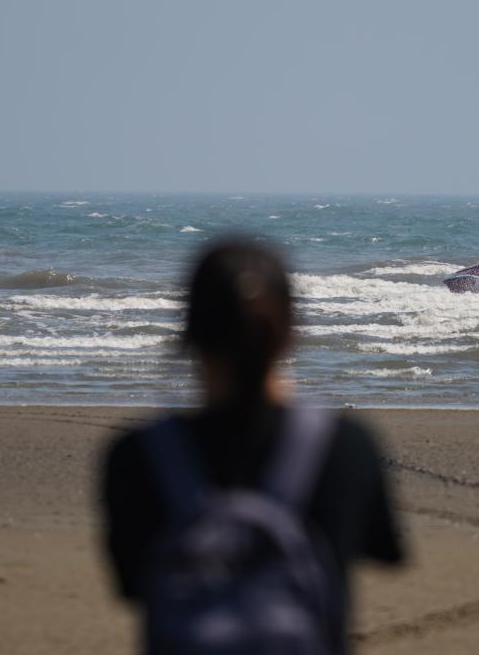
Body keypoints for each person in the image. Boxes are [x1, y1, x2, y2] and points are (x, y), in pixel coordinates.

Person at [99, 237, 403, 654]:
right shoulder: (344, 446)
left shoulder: (136, 455)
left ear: (189, 332)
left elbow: (133, 586)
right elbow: (384, 553)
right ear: (290, 332)